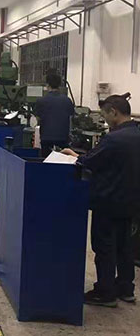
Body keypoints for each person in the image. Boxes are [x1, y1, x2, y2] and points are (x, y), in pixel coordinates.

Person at [62, 94, 140, 307]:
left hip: (108, 202)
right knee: (125, 247)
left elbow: (90, 162)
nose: (104, 120)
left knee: (104, 247)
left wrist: (74, 156)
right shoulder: (136, 134)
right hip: (131, 203)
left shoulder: (113, 139)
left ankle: (105, 293)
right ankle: (125, 289)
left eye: (105, 115)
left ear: (114, 112)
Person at [35, 72, 75, 157]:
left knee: (46, 160)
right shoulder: (67, 100)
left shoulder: (41, 101)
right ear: (59, 85)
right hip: (63, 138)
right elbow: (71, 118)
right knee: (62, 160)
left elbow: (38, 119)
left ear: (47, 85)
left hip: (46, 138)